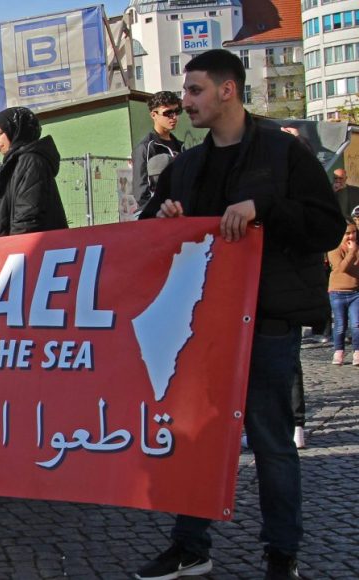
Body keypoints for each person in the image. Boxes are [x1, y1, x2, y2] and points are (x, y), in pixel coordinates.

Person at [137, 49, 345, 580]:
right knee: (194, 437)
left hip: (268, 323)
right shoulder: (184, 165)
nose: (185, 103)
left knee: (272, 442)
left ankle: (281, 554)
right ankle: (190, 545)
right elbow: (143, 233)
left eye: (195, 91)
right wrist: (165, 217)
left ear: (228, 90)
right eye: (184, 94)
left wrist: (265, 210)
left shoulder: (283, 154)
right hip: (199, 327)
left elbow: (326, 227)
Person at [0, 107, 69, 237]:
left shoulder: (30, 161)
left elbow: (27, 216)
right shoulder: (13, 164)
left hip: (28, 250)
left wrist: (15, 250)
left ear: (15, 130)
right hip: (12, 248)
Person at [132, 91, 185, 212]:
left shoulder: (181, 147)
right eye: (167, 113)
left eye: (177, 112)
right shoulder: (145, 148)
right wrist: (154, 212)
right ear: (153, 115)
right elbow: (140, 191)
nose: (174, 117)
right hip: (158, 216)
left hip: (180, 213)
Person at [328, 223, 359, 367]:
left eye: (353, 233)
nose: (351, 236)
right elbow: (342, 268)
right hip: (337, 292)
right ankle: (339, 351)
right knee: (340, 325)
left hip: (355, 293)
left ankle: (357, 352)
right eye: (347, 233)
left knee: (356, 325)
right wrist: (352, 252)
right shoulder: (334, 249)